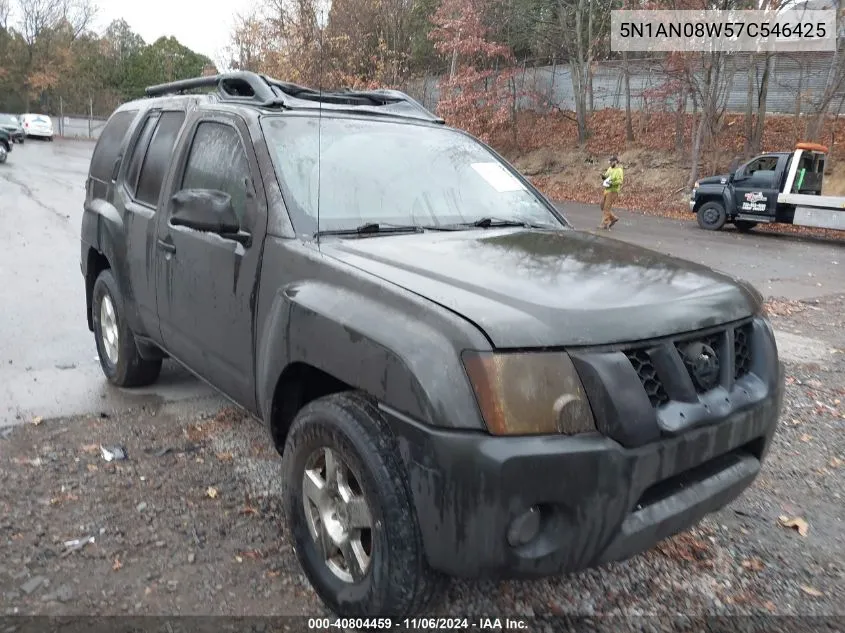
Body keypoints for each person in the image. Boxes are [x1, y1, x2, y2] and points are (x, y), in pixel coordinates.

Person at [599, 156, 624, 230]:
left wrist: (612, 183)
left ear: (615, 161)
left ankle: (605, 224)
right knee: (602, 206)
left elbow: (620, 181)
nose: (610, 164)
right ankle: (613, 218)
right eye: (610, 162)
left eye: (611, 162)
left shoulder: (619, 170)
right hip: (607, 189)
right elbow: (606, 176)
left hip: (613, 191)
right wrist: (603, 177)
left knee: (607, 207)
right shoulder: (610, 169)